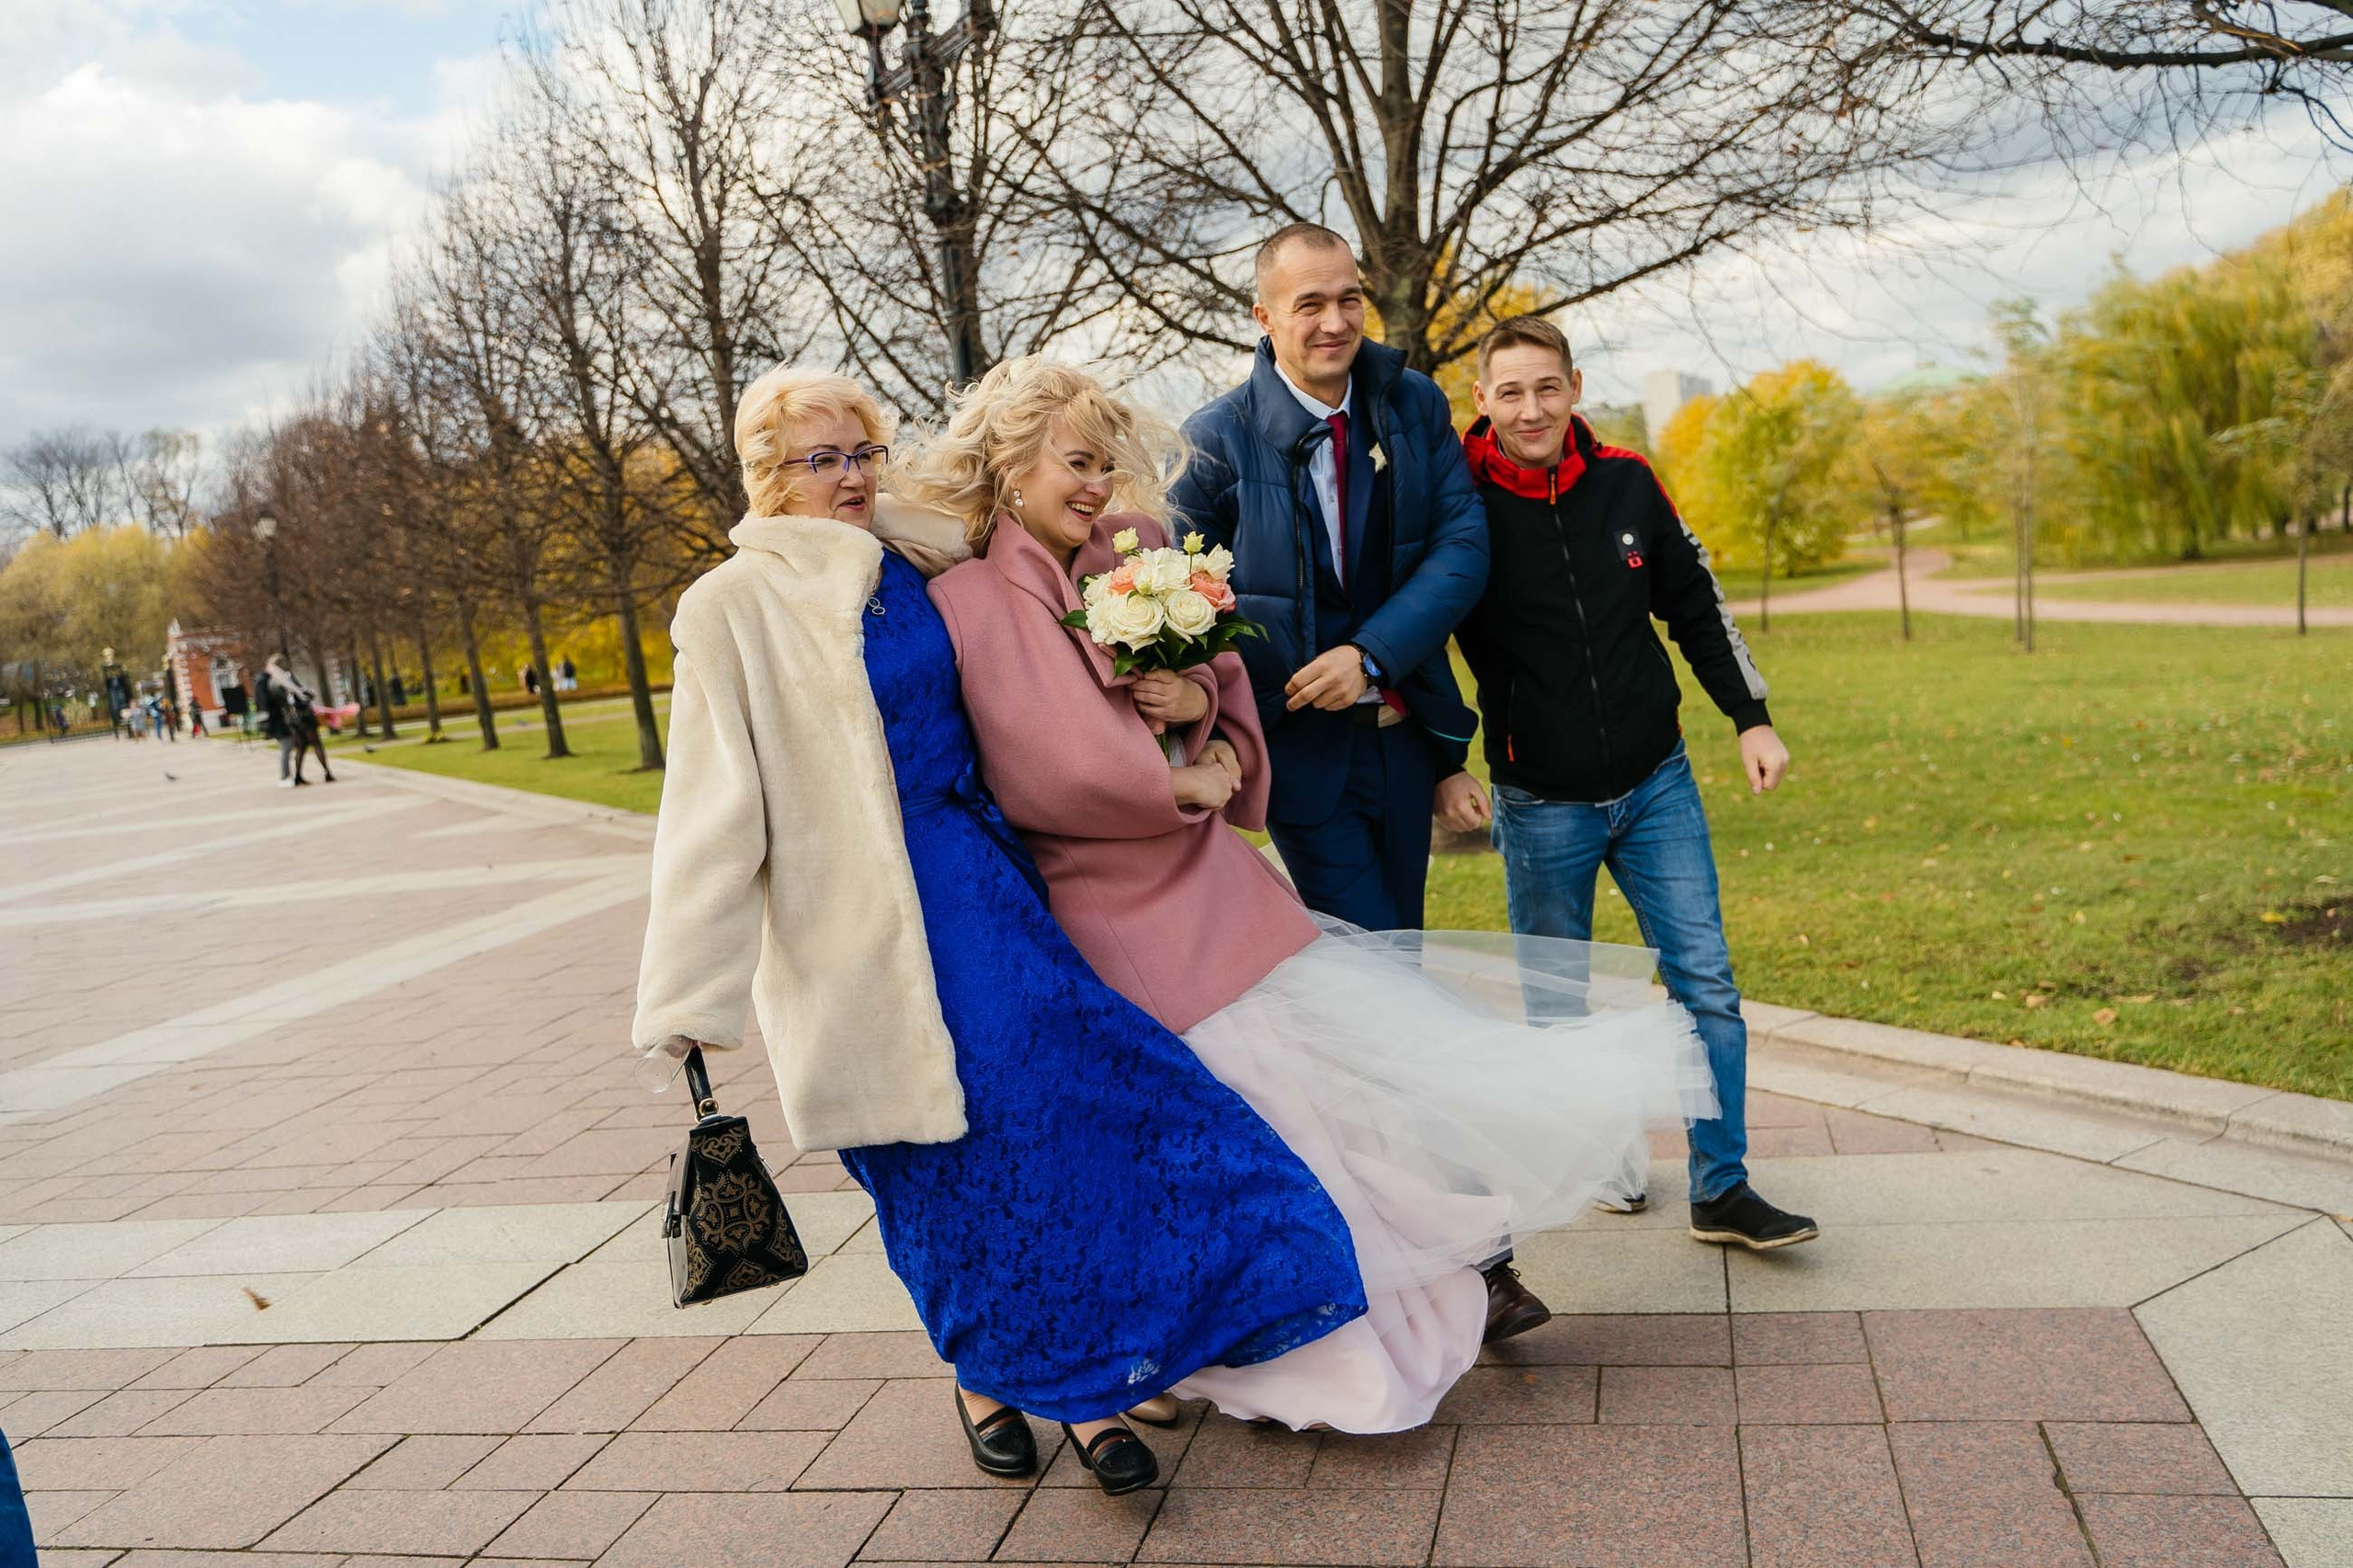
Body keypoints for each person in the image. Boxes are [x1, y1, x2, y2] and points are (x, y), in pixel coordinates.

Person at [904, 358, 1713, 1429]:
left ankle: (1390, 1297)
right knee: (1236, 1132)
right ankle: (1249, 1340)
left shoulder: (1141, 553)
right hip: (1114, 907)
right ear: (1009, 466)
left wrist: (1197, 701)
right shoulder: (971, 597)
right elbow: (1042, 767)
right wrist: (1180, 777)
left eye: (1107, 462)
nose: (1098, 485)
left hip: (1216, 883)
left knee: (1329, 1105)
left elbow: (1230, 673)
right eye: (1075, 463)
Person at [632, 365, 1370, 1496]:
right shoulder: (729, 605)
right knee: (930, 1158)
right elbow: (709, 807)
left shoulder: (915, 549)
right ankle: (991, 1371)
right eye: (820, 459)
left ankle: (1089, 1380)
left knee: (1056, 1119)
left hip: (981, 885)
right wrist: (687, 996)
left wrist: (1155, 596)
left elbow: (1068, 523)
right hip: (851, 929)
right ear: (767, 476)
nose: (849, 477)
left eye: (863, 452)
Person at [1447, 315, 1816, 1251]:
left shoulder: (1628, 481)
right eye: (1510, 391)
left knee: (1706, 982)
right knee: (1556, 1003)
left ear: (1573, 387)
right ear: (1482, 401)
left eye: (1547, 387)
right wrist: (1441, 760)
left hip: (1657, 784)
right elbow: (1418, 637)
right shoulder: (1457, 505)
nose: (1532, 408)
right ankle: (1598, 1155)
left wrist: (1751, 716)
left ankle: (1721, 1187)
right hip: (1540, 803)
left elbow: (1695, 603)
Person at [1170, 222, 1490, 936]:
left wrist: (1372, 654)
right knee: (1376, 959)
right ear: (1265, 317)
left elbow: (1462, 547)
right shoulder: (1212, 442)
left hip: (1407, 734)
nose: (1337, 323)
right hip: (1300, 753)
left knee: (1401, 944)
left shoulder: (1416, 403)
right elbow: (1191, 609)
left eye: (1351, 300)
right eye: (1310, 304)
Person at [258, 655, 335, 787]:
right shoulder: (287, 679)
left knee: (300, 747)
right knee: (316, 743)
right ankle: (327, 772)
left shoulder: (271, 683)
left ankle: (298, 776)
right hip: (303, 715)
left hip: (291, 718)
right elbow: (303, 695)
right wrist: (308, 693)